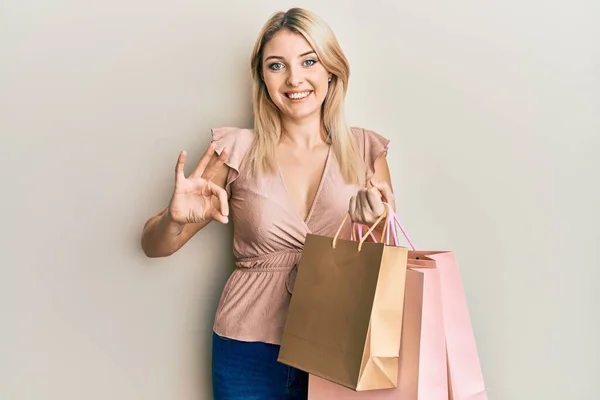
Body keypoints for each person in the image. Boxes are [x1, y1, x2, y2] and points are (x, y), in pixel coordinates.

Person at [141, 7, 396, 400]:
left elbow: (391, 268)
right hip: (247, 350)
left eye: (308, 61)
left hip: (342, 344)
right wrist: (174, 220)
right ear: (263, 78)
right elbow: (155, 246)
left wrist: (374, 224)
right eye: (277, 65)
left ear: (331, 69)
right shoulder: (237, 150)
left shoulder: (366, 151)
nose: (295, 78)